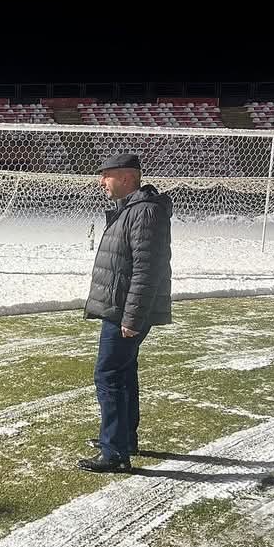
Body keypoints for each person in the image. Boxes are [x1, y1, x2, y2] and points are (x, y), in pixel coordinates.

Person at [79, 153, 173, 473]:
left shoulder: (144, 213)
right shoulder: (131, 211)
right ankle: (123, 439)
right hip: (121, 307)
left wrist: (132, 317)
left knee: (109, 376)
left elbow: (148, 269)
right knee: (123, 372)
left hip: (125, 311)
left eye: (107, 175)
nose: (101, 182)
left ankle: (115, 453)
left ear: (128, 178)